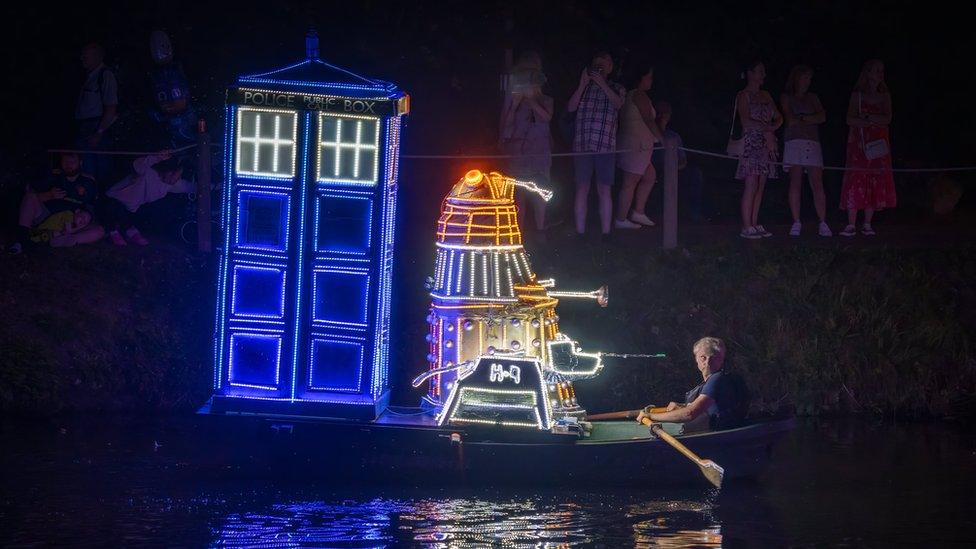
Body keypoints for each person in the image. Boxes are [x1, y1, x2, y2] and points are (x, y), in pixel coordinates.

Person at [568, 52, 626, 239]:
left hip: (605, 146)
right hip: (582, 145)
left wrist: (601, 82)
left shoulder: (617, 87)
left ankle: (606, 233)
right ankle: (580, 233)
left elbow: (618, 104)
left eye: (603, 64)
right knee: (582, 188)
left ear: (610, 68)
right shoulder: (584, 87)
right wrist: (582, 83)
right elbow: (570, 108)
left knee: (604, 189)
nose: (599, 67)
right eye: (596, 64)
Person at [636, 337, 749, 432]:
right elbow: (704, 408)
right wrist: (682, 406)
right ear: (696, 359)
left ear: (721, 360)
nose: (708, 362)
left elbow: (690, 414)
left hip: (717, 438)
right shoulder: (715, 380)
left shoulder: (718, 379)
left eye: (713, 357)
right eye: (703, 357)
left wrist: (651, 416)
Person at [839, 60, 895, 237]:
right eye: (876, 70)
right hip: (860, 144)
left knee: (874, 179)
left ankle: (867, 223)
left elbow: (887, 119)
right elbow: (850, 119)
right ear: (868, 73)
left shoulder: (885, 95)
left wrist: (868, 117)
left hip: (878, 145)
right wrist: (869, 121)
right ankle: (851, 224)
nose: (880, 74)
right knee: (857, 178)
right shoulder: (858, 95)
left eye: (882, 70)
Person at [499, 51, 553, 235]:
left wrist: (531, 99)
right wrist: (515, 105)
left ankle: (540, 231)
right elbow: (507, 125)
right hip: (519, 153)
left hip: (540, 153)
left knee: (541, 191)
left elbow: (546, 117)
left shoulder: (546, 100)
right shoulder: (515, 99)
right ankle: (518, 233)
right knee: (519, 194)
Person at [14, 153, 104, 251]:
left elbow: (93, 205)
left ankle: (68, 240)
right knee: (30, 197)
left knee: (99, 231)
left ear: (80, 163)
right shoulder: (52, 176)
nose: (68, 165)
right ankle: (22, 239)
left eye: (72, 162)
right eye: (65, 162)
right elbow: (32, 196)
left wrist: (84, 218)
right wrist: (49, 195)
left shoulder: (88, 181)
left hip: (74, 220)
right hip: (47, 215)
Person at [781, 65, 831, 237]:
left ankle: (823, 222)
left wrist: (802, 118)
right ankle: (796, 222)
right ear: (796, 78)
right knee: (795, 181)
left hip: (812, 142)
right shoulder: (787, 97)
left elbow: (822, 117)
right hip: (794, 142)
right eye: (804, 77)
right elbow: (790, 119)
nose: (807, 81)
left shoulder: (813, 97)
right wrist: (809, 119)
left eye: (809, 78)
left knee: (817, 183)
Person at [735, 61, 782, 239]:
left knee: (761, 183)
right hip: (751, 142)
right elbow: (746, 121)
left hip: (766, 142)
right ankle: (746, 225)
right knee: (751, 182)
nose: (763, 75)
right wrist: (768, 129)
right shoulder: (744, 95)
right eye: (760, 71)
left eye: (764, 71)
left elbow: (779, 117)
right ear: (750, 73)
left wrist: (773, 129)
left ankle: (754, 222)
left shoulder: (766, 95)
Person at [102, 152, 191, 246]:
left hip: (130, 209)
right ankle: (113, 230)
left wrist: (205, 186)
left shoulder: (170, 186)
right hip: (113, 200)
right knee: (114, 210)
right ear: (168, 171)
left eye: (179, 176)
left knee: (136, 214)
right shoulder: (147, 172)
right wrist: (158, 157)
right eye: (175, 174)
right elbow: (138, 163)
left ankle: (128, 229)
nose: (177, 178)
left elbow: (189, 187)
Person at [615, 65, 663, 229]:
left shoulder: (632, 95)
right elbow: (649, 120)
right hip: (636, 146)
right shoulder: (638, 95)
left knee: (650, 176)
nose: (651, 80)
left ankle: (638, 212)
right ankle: (620, 219)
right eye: (649, 77)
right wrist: (663, 139)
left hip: (640, 147)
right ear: (641, 78)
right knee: (630, 182)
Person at [652, 101, 706, 223]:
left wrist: (677, 167)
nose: (663, 115)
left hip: (676, 170)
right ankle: (656, 216)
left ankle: (694, 214)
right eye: (661, 112)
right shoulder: (650, 134)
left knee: (695, 174)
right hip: (656, 170)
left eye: (665, 112)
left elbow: (683, 159)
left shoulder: (673, 136)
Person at [76, 43, 119, 185]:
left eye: (86, 56)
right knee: (86, 168)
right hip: (85, 127)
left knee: (100, 170)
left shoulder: (105, 75)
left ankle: (102, 201)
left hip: (97, 127)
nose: (82, 59)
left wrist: (99, 132)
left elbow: (111, 107)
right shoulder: (89, 77)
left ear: (97, 57)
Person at [148, 30, 197, 147]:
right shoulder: (154, 74)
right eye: (156, 48)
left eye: (165, 46)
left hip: (185, 118)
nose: (162, 51)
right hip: (167, 122)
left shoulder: (179, 69)